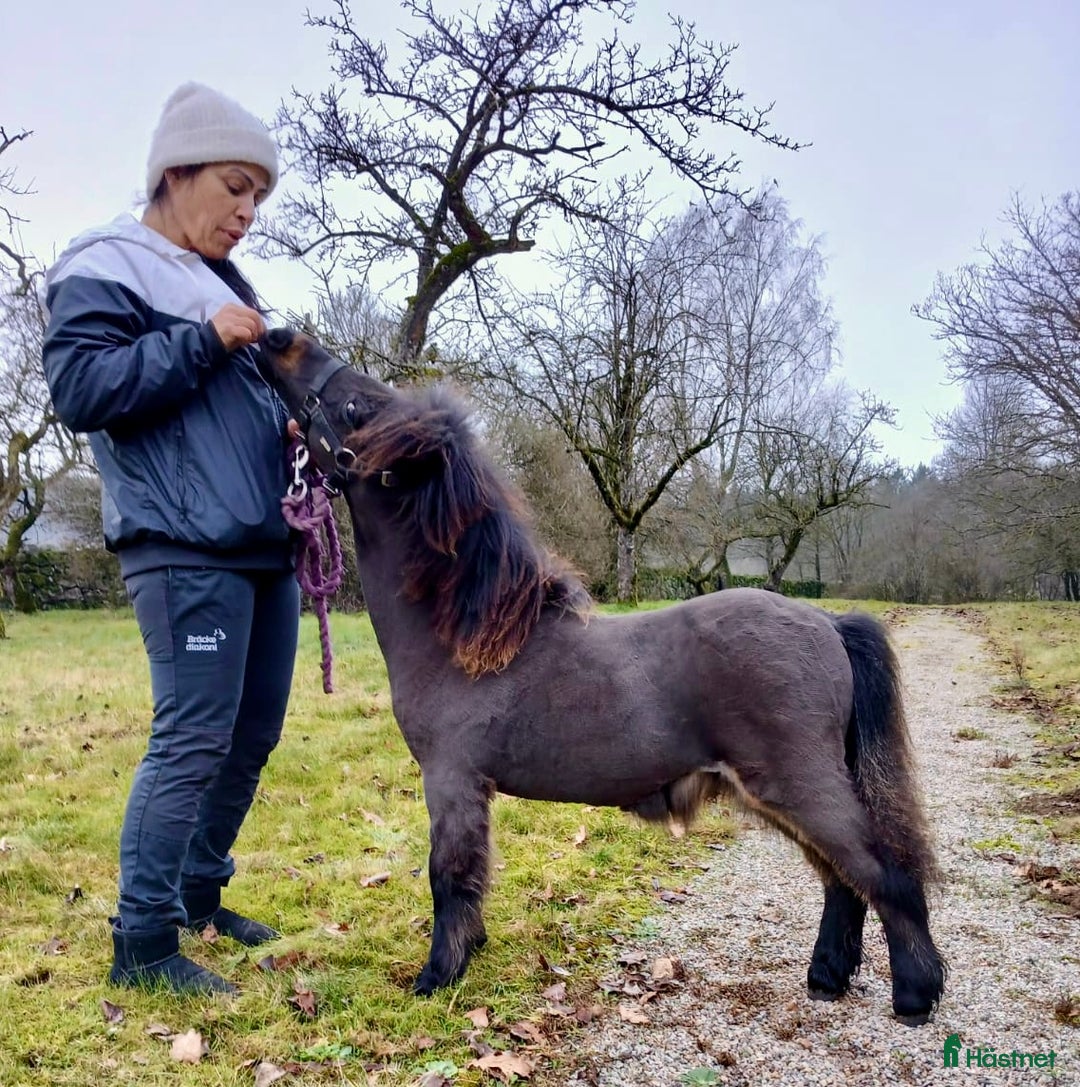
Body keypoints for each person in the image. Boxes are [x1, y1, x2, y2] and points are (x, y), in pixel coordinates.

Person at [41, 82, 300, 994]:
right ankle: (143, 943)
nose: (247, 211)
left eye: (258, 196)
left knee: (252, 733)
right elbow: (80, 389)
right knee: (193, 736)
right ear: (175, 173)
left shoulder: (222, 283)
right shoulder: (108, 261)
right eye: (235, 186)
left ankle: (197, 894)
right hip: (182, 544)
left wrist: (283, 430)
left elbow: (222, 410)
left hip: (263, 545)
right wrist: (202, 342)